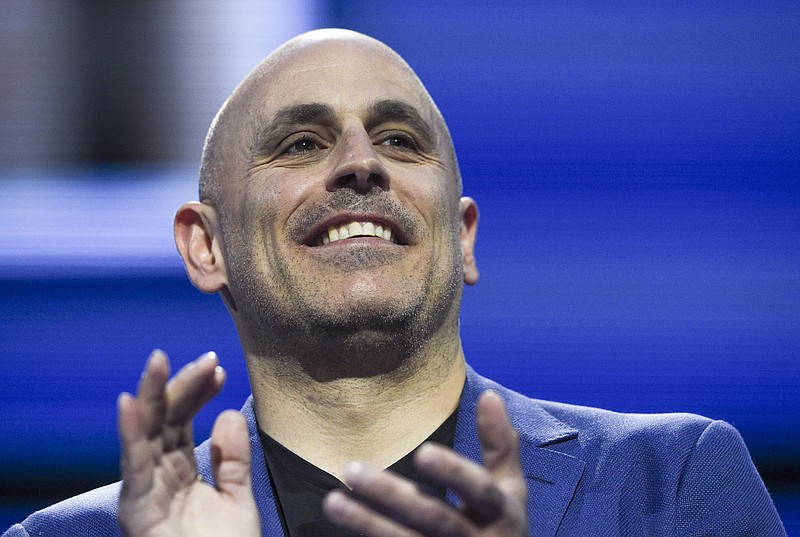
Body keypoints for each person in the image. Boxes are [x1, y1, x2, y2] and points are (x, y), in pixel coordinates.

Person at [4, 29, 786, 537]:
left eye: (399, 139)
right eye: (302, 141)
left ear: (464, 234)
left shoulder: (671, 487)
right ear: (205, 245)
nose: (360, 163)